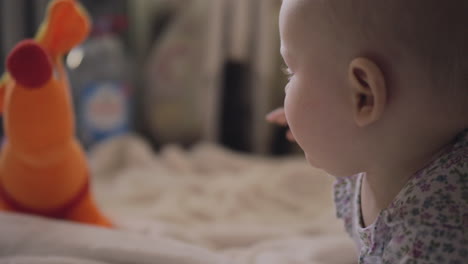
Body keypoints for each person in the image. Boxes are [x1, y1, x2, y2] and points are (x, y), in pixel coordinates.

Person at [267, 0, 468, 262]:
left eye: (290, 71)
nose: (287, 85)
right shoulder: (386, 148)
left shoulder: (439, 235)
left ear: (363, 97)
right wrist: (320, 119)